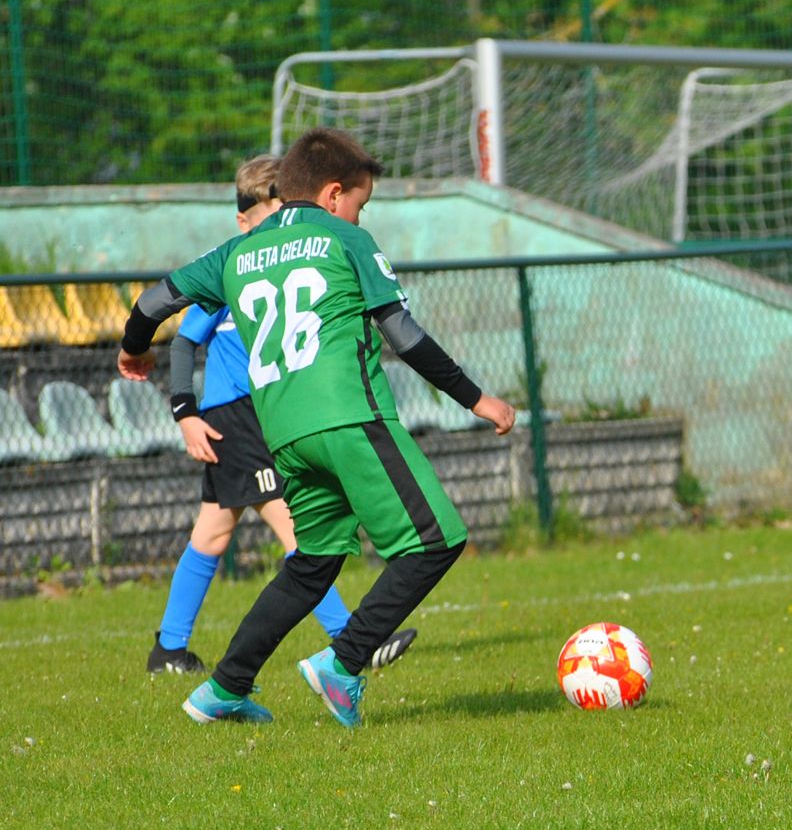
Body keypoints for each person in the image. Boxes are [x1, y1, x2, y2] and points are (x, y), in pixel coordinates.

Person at [117, 127, 515, 726]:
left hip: (284, 431)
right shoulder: (346, 238)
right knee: (436, 540)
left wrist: (134, 352)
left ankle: (223, 689)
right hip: (349, 415)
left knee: (313, 562)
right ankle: (345, 661)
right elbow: (402, 335)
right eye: (360, 201)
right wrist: (477, 399)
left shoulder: (235, 252)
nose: (360, 213)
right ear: (333, 195)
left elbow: (151, 305)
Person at [146, 154, 414, 676]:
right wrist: (185, 412)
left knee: (213, 533)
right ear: (245, 220)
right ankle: (350, 640)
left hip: (262, 412)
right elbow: (183, 341)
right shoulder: (237, 266)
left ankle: (169, 649)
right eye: (272, 217)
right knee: (299, 530)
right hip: (240, 415)